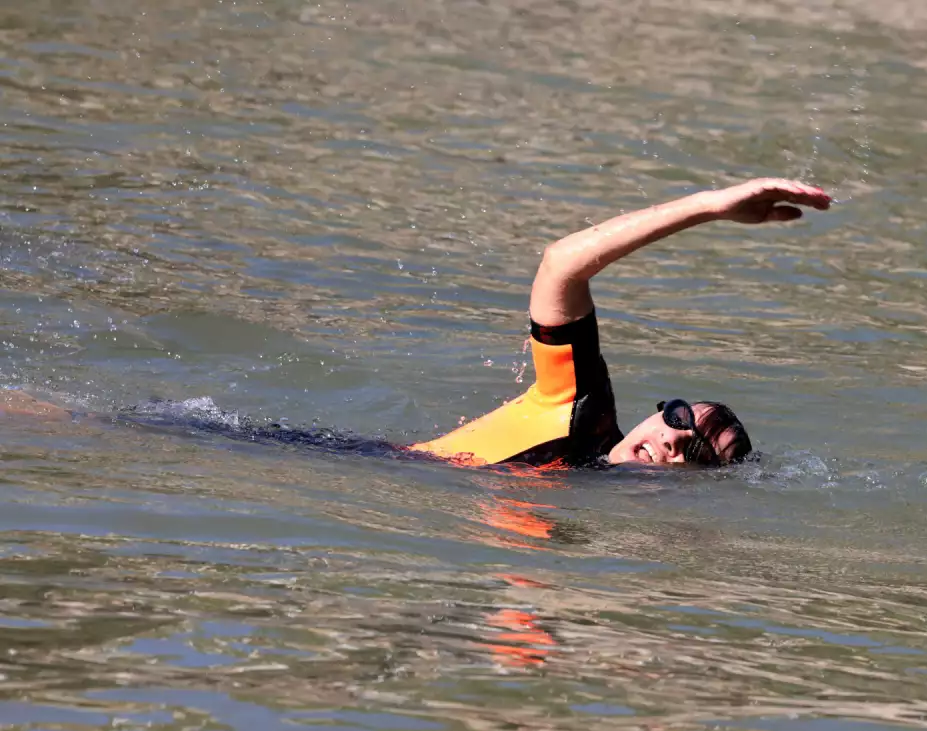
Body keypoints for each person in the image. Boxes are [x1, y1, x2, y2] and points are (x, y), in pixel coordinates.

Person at [1, 178, 831, 469]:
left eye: (701, 455)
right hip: (308, 457)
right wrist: (712, 206)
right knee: (76, 425)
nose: (679, 441)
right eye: (687, 419)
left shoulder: (596, 501)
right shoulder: (577, 416)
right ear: (658, 408)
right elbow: (562, 265)